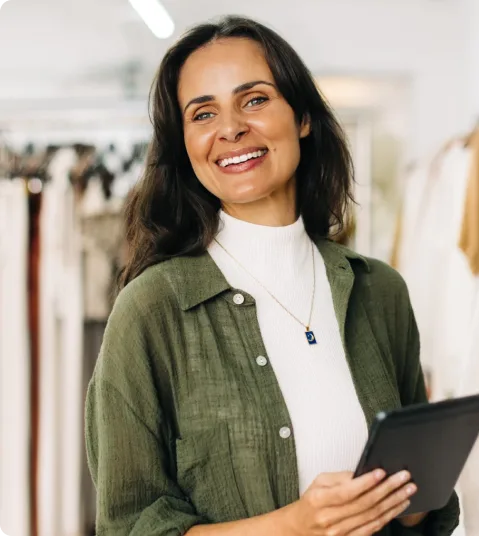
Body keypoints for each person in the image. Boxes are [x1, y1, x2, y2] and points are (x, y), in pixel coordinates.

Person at [85, 16, 459, 536]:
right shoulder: (152, 310)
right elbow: (129, 527)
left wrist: (405, 503)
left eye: (255, 100)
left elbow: (423, 509)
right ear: (185, 144)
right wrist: (296, 524)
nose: (231, 128)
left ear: (303, 116)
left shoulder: (380, 291)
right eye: (203, 113)